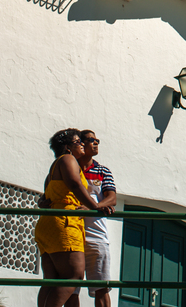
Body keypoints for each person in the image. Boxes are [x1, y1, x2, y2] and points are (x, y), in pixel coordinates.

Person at [34, 129, 108, 307]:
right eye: (78, 142)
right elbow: (75, 184)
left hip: (48, 224)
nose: (82, 144)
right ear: (67, 147)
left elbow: (45, 197)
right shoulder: (68, 159)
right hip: (65, 223)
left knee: (51, 279)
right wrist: (95, 205)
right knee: (73, 275)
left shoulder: (54, 167)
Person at [65, 130, 117, 307]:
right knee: (71, 288)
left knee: (101, 288)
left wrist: (92, 207)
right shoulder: (69, 167)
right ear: (80, 143)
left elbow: (112, 198)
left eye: (97, 140)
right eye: (91, 140)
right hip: (72, 234)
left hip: (96, 235)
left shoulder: (103, 171)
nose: (96, 143)